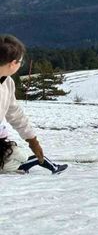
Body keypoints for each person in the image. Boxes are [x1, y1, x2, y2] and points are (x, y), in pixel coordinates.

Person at [0, 35, 62, 172]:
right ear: (12, 63)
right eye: (20, 62)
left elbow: (15, 114)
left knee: (19, 156)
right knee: (12, 162)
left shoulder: (7, 83)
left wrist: (32, 140)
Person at [0, 124, 67, 174]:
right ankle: (55, 168)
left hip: (3, 169)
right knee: (38, 158)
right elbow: (24, 158)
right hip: (14, 169)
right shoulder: (12, 149)